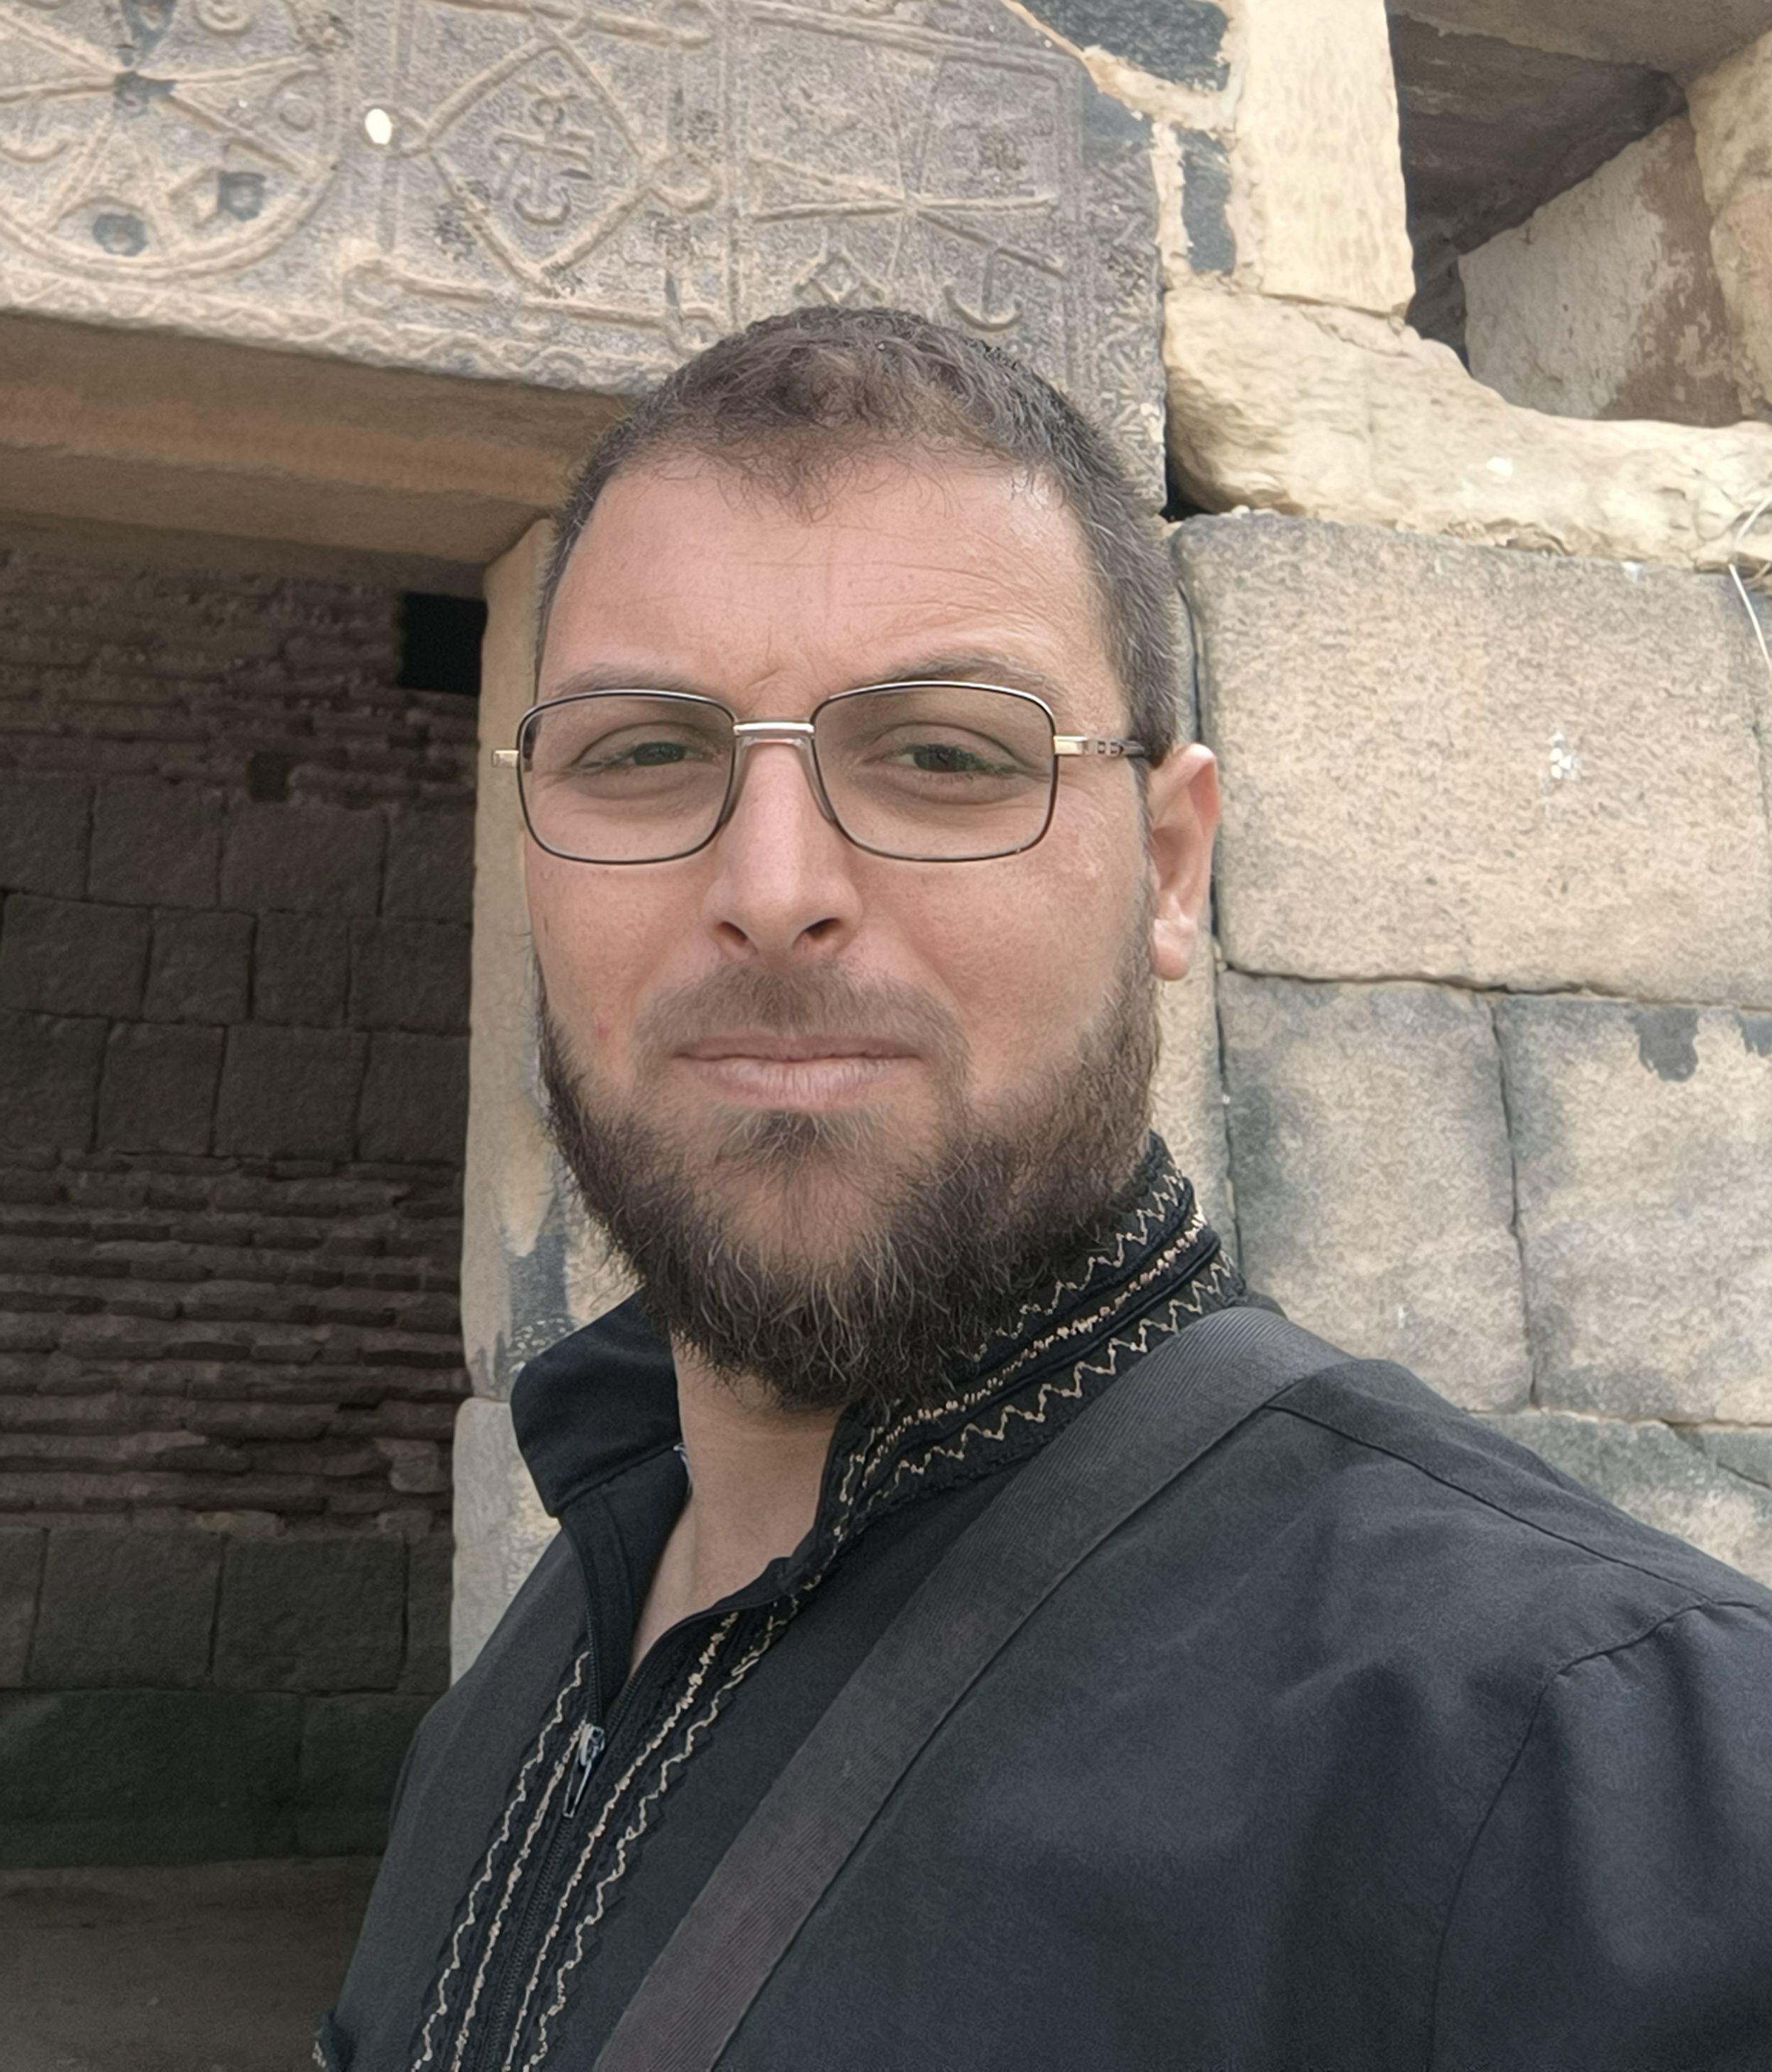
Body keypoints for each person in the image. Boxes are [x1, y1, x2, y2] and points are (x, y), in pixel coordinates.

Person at [321, 305, 1772, 2072]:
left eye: (945, 755)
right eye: (641, 755)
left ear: (1168, 869)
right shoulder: (540, 1658)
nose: (770, 888)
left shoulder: (1592, 1773)